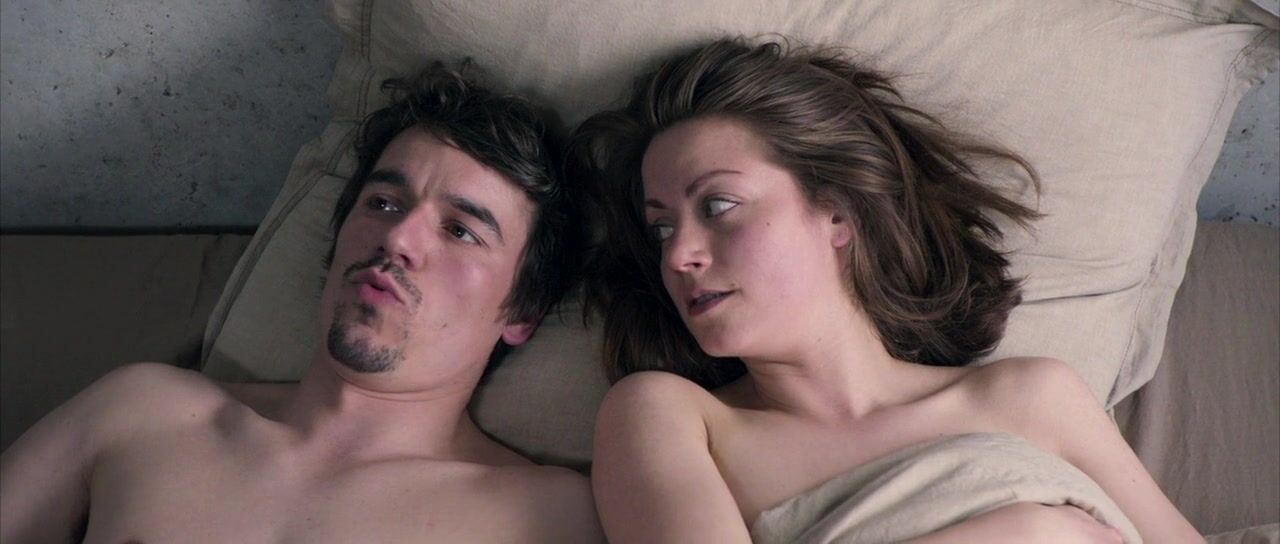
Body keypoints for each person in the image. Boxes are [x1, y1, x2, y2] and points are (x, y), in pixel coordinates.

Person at [571, 38, 1200, 542]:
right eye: (661, 229)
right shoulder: (671, 417)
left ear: (837, 213)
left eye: (718, 205)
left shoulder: (1035, 396)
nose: (678, 255)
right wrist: (1022, 533)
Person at [0, 63, 603, 543]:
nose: (398, 238)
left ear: (522, 311)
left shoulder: (551, 514)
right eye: (383, 203)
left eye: (461, 231)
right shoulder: (141, 411)